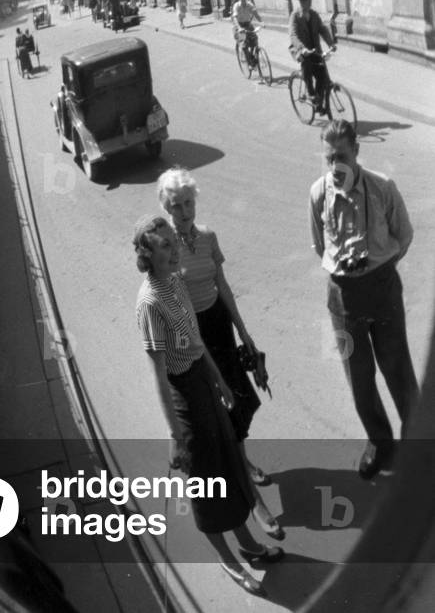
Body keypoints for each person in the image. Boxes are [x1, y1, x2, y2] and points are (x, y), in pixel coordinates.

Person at [134, 214, 285, 597]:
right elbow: (159, 374)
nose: (173, 249)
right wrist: (174, 435)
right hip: (183, 395)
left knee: (229, 468)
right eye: (165, 245)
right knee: (206, 484)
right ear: (147, 255)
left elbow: (197, 342)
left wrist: (220, 381)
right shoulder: (150, 302)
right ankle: (230, 562)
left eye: (173, 241)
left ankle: (249, 545)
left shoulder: (177, 282)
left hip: (203, 379)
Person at [157, 168, 283, 540]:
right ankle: (253, 498)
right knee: (220, 413)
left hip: (219, 326)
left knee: (242, 403)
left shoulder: (209, 236)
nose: (184, 211)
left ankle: (241, 459)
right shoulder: (165, 248)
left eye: (188, 202)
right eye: (176, 205)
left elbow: (222, 285)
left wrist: (243, 331)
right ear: (167, 208)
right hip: (192, 336)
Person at [309, 119, 419, 479]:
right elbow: (319, 246)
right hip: (341, 298)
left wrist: (378, 267)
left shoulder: (382, 187)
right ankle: (380, 444)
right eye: (328, 159)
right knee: (358, 378)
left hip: (383, 289)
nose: (334, 166)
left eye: (341, 156)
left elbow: (403, 235)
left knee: (398, 370)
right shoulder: (317, 193)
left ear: (356, 151)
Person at [288, 0, 335, 113]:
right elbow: (293, 35)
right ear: (300, 2)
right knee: (307, 65)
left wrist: (331, 43)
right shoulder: (295, 16)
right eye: (303, 1)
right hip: (301, 50)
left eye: (308, 0)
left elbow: (322, 29)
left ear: (310, 1)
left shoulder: (314, 15)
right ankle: (310, 92)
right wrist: (302, 49)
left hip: (315, 50)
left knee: (322, 75)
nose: (306, 3)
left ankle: (318, 103)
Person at [232, 0, 261, 67]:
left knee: (255, 39)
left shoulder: (249, 5)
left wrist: (261, 22)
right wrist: (239, 28)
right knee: (244, 45)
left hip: (248, 24)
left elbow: (256, 14)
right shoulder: (237, 6)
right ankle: (249, 63)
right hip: (239, 26)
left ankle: (251, 55)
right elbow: (235, 18)